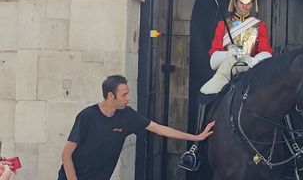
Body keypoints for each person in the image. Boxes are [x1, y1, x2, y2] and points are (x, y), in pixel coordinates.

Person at [178, 0, 272, 171]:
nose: (245, 6)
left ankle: (294, 148)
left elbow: (266, 50)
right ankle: (195, 149)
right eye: (242, 2)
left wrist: (252, 59)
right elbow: (213, 52)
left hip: (251, 70)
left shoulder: (259, 26)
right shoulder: (223, 24)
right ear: (235, 1)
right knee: (205, 93)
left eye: (249, 2)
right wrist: (230, 51)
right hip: (226, 69)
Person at [57, 75, 215, 180]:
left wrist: (196, 137)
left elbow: (158, 128)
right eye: (124, 95)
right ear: (111, 95)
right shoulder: (87, 116)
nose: (128, 98)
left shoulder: (127, 116)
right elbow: (66, 155)